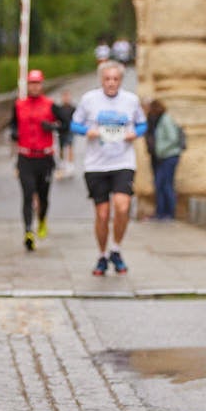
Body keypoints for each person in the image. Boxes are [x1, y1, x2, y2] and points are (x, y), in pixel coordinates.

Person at [70, 60, 147, 275]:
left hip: (123, 161)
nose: (111, 83)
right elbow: (74, 124)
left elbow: (142, 124)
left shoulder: (131, 101)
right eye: (107, 79)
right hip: (96, 164)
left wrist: (136, 133)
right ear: (101, 80)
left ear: (121, 80)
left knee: (122, 207)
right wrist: (88, 132)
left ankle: (116, 248)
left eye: (115, 79)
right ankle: (102, 255)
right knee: (102, 214)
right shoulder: (89, 100)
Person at [9, 69, 60, 250]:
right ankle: (28, 231)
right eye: (31, 83)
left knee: (43, 196)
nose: (34, 86)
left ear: (42, 85)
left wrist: (52, 126)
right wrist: (14, 133)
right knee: (28, 195)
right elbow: (13, 124)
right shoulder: (19, 105)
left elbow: (66, 124)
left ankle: (42, 219)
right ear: (27, 85)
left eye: (37, 83)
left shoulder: (50, 105)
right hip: (25, 157)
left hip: (45, 157)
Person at [145, 99, 182, 221]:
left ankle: (169, 213)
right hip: (163, 156)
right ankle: (161, 213)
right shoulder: (158, 120)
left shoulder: (165, 120)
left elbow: (173, 138)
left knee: (166, 184)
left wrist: (159, 149)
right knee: (160, 184)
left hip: (169, 156)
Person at [52, 89, 76, 177]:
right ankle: (62, 164)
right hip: (61, 131)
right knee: (61, 148)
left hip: (70, 130)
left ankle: (70, 165)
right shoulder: (59, 109)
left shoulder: (73, 108)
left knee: (70, 146)